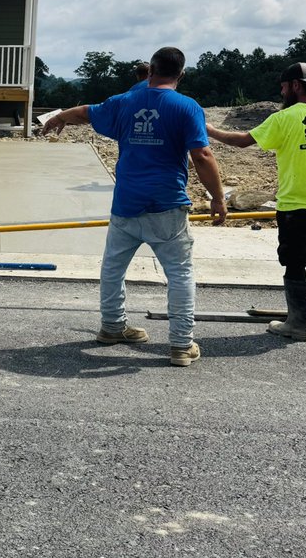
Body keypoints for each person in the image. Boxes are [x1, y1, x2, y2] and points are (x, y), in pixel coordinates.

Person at [42, 46, 227, 366]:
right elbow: (202, 155)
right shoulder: (187, 107)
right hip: (167, 206)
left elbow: (85, 112)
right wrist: (218, 198)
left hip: (126, 204)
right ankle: (181, 345)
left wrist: (59, 117)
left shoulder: (124, 102)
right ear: (181, 75)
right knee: (180, 273)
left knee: (113, 268)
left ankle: (112, 326)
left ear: (150, 71)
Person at [206, 61, 306, 341]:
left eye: (283, 87)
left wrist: (209, 129)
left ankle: (297, 324)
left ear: (295, 85)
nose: (282, 93)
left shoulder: (283, 119)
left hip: (295, 206)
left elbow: (242, 141)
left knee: (294, 264)